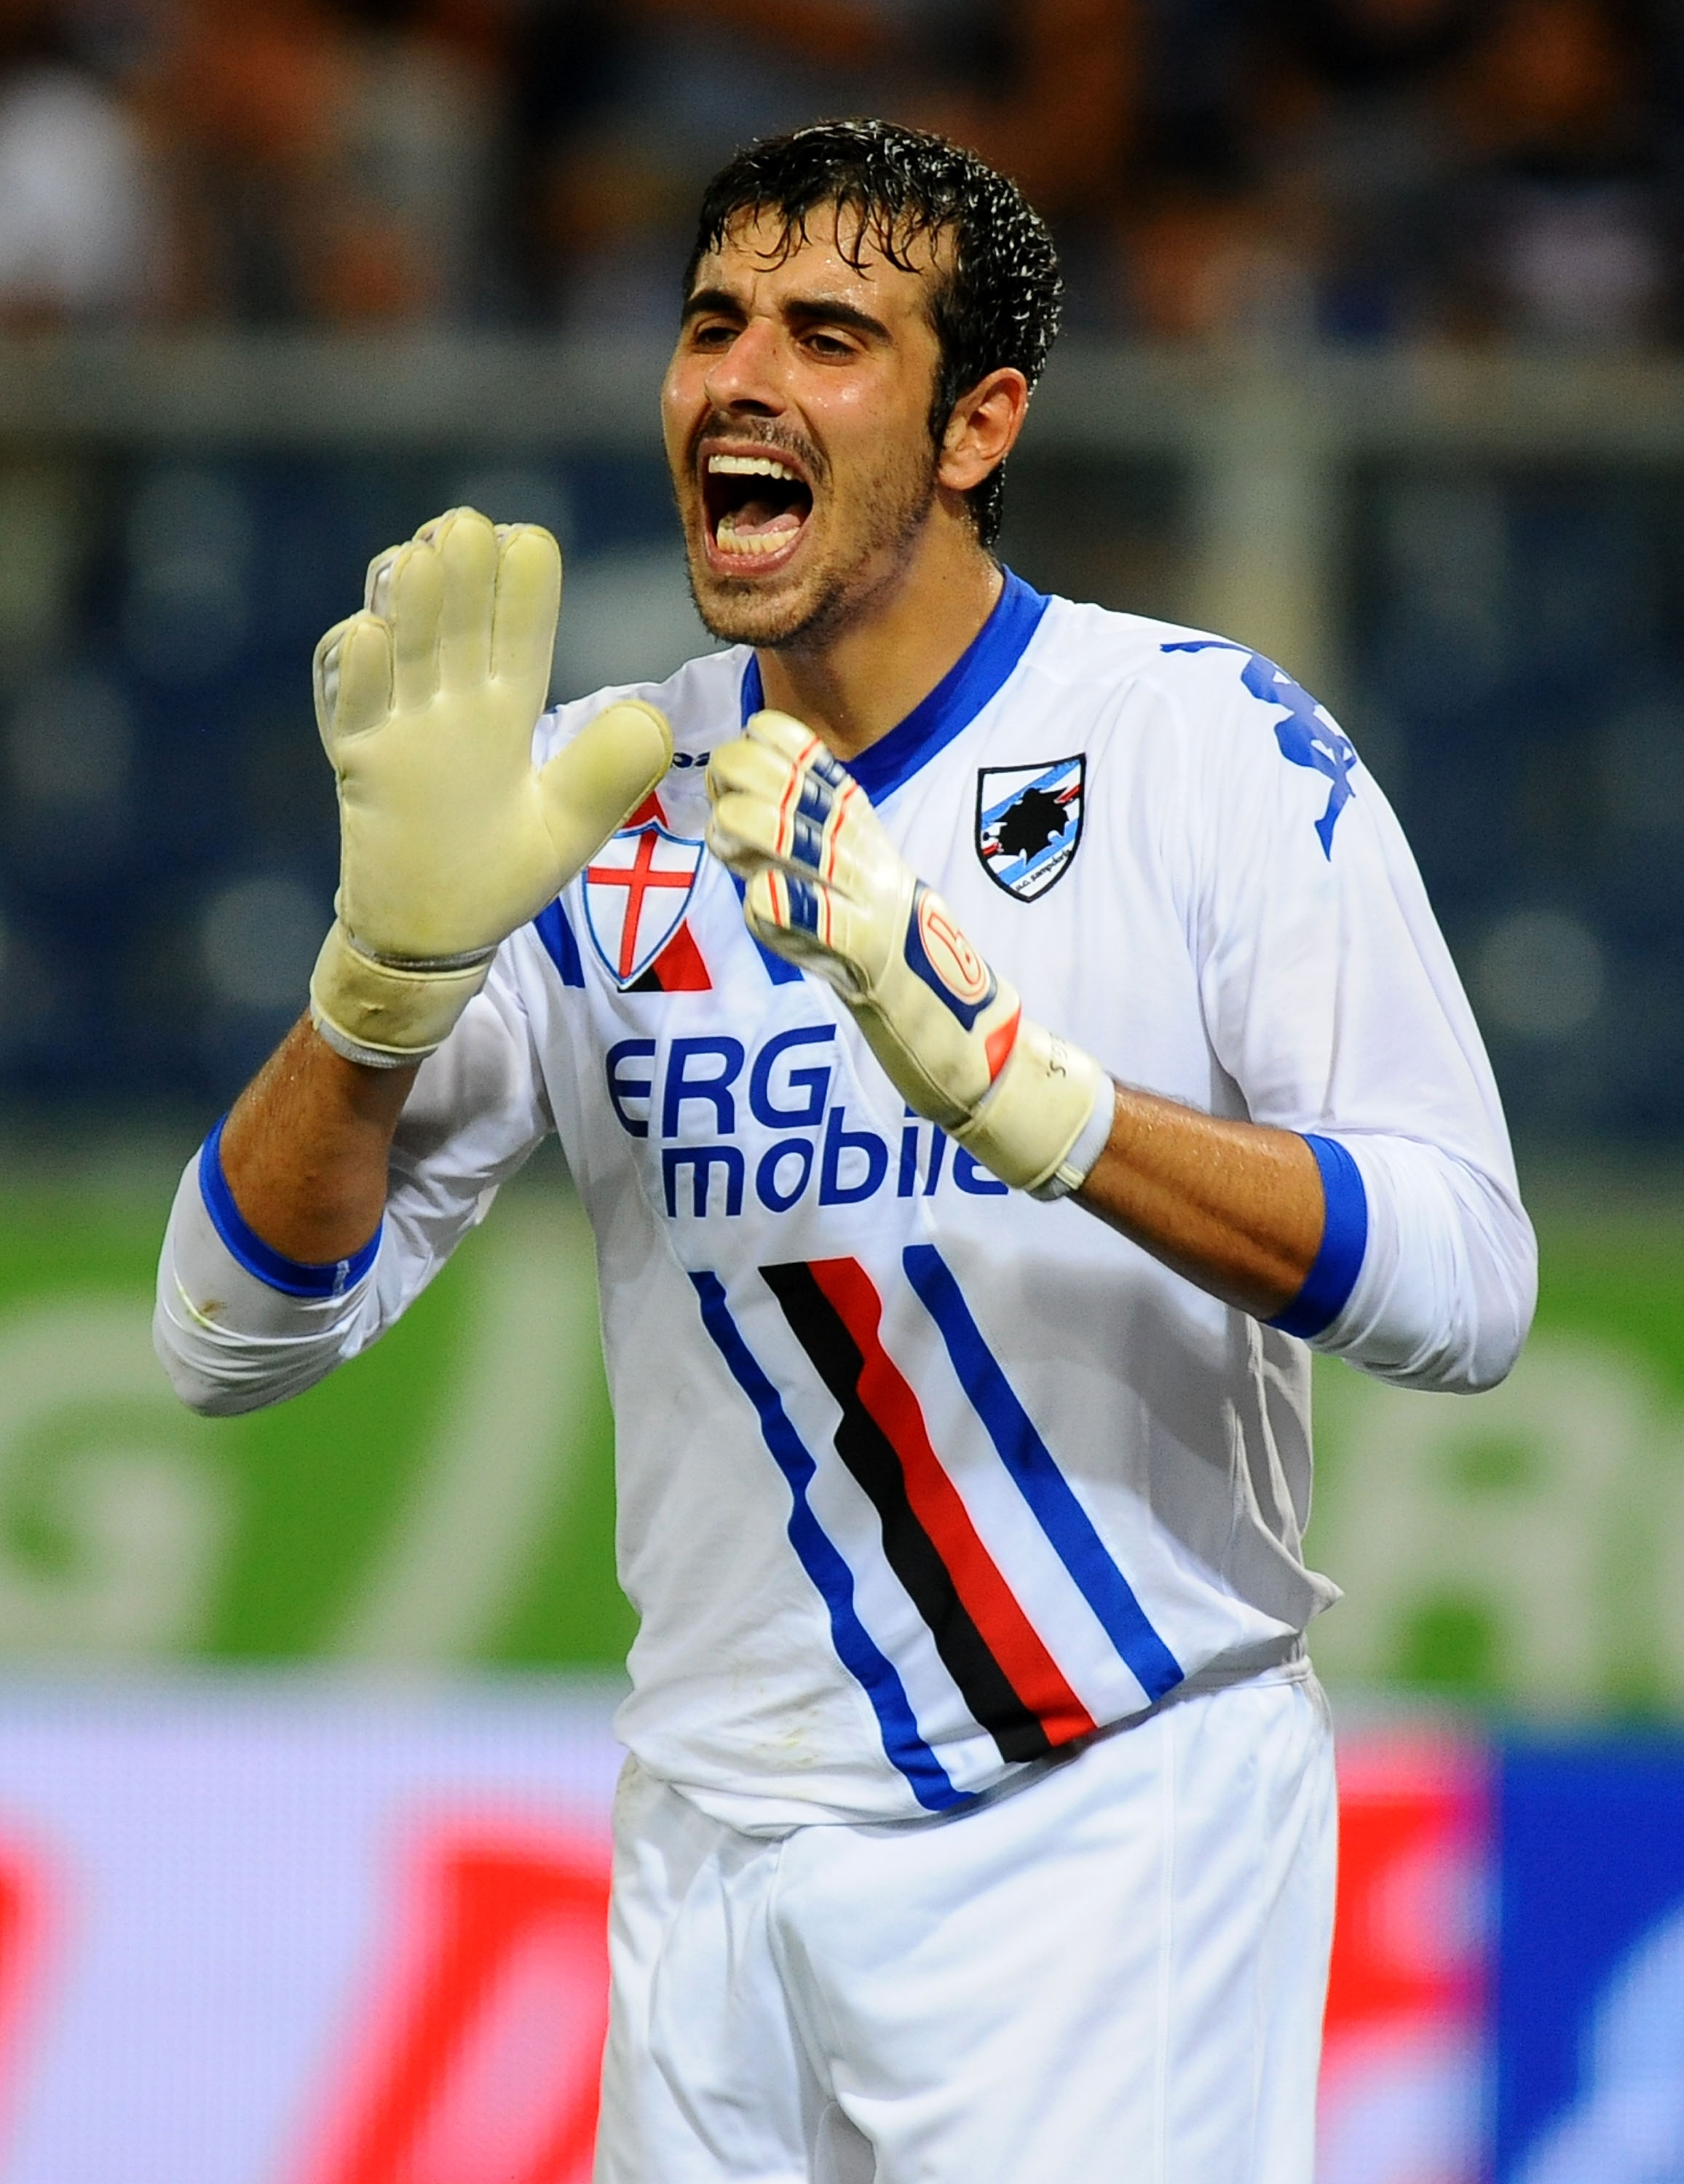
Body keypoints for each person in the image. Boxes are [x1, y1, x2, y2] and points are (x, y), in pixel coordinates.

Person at [154, 119, 1535, 2184]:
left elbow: (1464, 1278)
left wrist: (1023, 1096)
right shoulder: (589, 793)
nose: (741, 378)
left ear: (977, 422)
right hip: (703, 1849)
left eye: (828, 336)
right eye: (712, 324)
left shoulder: (1198, 744)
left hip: (1092, 1821)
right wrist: (375, 987)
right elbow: (226, 1334)